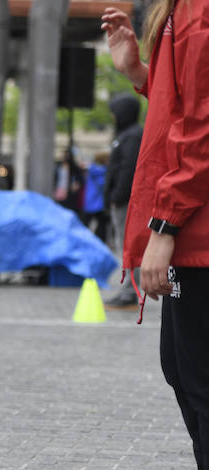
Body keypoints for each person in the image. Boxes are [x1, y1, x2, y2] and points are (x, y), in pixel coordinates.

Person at [103, 1, 209, 470]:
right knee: (183, 371)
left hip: (197, 231)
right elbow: (183, 115)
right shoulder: (184, 11)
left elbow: (202, 129)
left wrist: (163, 229)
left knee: (200, 380)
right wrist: (141, 75)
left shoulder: (198, 11)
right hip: (194, 231)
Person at [103, 94, 144, 309]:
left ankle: (130, 293)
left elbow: (128, 169)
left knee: (129, 247)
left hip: (127, 202)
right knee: (124, 246)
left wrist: (117, 196)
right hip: (123, 200)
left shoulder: (132, 136)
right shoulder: (126, 135)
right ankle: (128, 290)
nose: (112, 116)